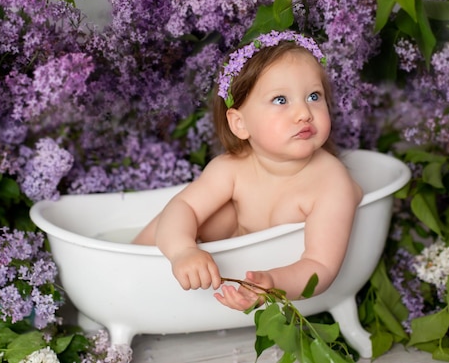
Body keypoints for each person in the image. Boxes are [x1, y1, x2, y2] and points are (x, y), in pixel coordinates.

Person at [133, 30, 363, 311]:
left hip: (252, 267)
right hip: (217, 255)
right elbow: (183, 207)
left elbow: (321, 266)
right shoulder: (231, 169)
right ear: (240, 124)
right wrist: (183, 250)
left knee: (207, 215)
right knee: (182, 217)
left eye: (314, 96)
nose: (304, 112)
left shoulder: (330, 182)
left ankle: (132, 273)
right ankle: (129, 261)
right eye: (281, 100)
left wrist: (272, 282)